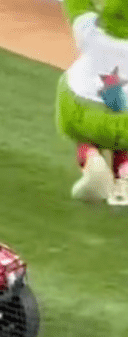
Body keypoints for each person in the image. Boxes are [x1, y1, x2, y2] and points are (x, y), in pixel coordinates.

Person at [57, 0, 128, 204]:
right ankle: (124, 174)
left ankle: (90, 156)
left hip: (87, 103)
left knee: (80, 119)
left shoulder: (92, 33)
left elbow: (77, 7)